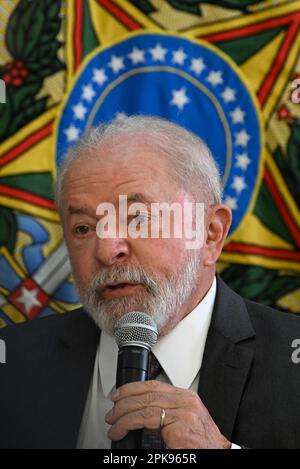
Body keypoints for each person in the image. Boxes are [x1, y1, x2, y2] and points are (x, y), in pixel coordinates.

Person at [0, 116, 299, 449]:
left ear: (210, 234)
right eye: (84, 228)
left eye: (138, 219)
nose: (107, 250)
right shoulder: (10, 364)